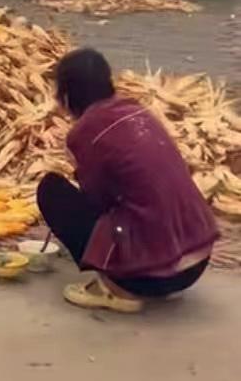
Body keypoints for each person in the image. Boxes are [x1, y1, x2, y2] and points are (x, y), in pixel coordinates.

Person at [37, 48, 218, 314]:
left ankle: (117, 289)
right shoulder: (139, 113)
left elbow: (96, 200)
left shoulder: (86, 132)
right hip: (197, 263)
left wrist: (80, 169)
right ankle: (154, 270)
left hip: (148, 279)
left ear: (65, 96)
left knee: (51, 190)